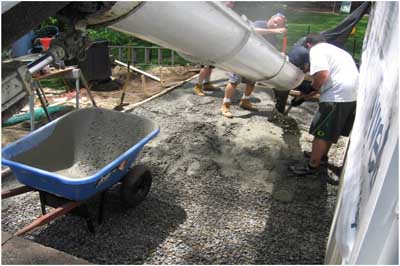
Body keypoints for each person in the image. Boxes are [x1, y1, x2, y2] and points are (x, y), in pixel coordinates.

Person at [289, 33, 359, 175]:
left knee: (321, 132)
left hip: (337, 96)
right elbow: (323, 83)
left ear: (308, 45)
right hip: (350, 96)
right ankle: (320, 158)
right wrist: (304, 97)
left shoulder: (317, 50)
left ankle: (312, 166)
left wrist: (311, 88)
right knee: (329, 131)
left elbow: (322, 76)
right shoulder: (338, 51)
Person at [220, 13, 287, 118]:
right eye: (275, 22)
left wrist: (280, 54)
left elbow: (270, 50)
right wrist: (273, 31)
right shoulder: (260, 23)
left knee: (251, 83)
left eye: (278, 25)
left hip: (254, 61)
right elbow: (252, 31)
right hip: (241, 57)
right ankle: (225, 105)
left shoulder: (274, 37)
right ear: (270, 19)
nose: (275, 25)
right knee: (234, 82)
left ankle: (245, 101)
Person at [275, 44, 310, 113]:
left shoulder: (295, 47)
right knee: (284, 95)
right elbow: (306, 68)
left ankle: (278, 110)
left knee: (281, 94)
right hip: (289, 74)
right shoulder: (306, 52)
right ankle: (279, 113)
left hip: (282, 69)